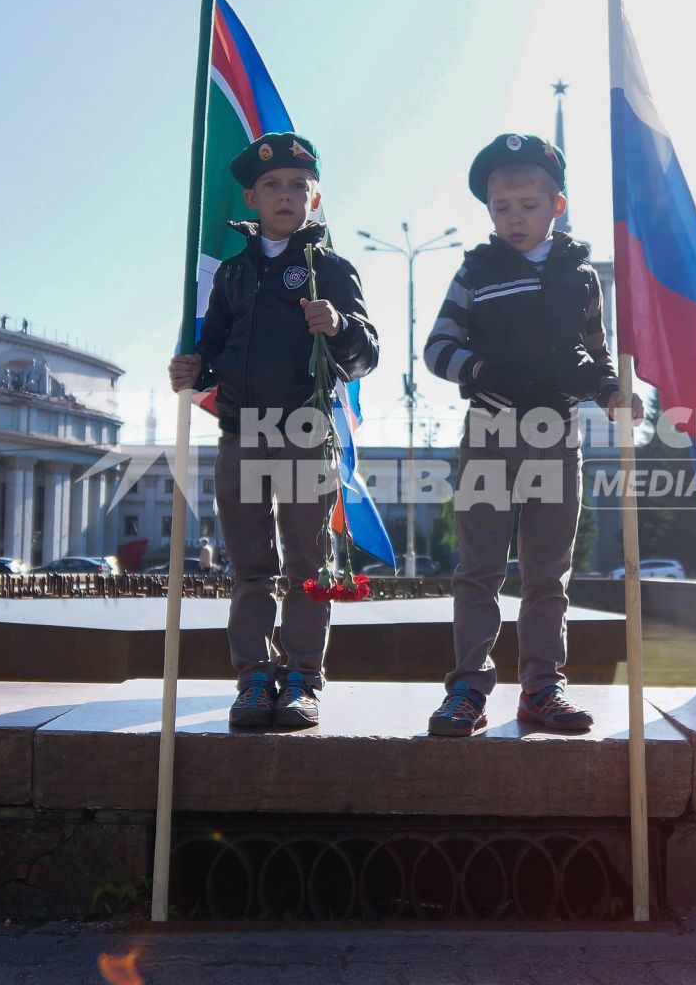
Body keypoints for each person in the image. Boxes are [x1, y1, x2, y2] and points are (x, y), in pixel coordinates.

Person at [170, 132, 379, 730]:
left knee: (307, 566)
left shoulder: (330, 269)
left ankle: (303, 679)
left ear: (315, 198)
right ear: (251, 197)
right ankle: (253, 679)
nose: (284, 194)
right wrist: (190, 369)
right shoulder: (232, 274)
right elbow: (211, 353)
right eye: (271, 186)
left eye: (297, 185)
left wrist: (338, 326)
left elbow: (365, 354)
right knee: (250, 568)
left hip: (303, 429)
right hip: (242, 432)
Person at [422, 132, 626, 738]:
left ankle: (542, 688)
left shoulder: (580, 276)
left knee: (547, 572)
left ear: (556, 205)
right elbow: (437, 349)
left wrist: (612, 392)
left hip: (557, 434)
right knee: (479, 568)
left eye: (528, 206)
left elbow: (598, 353)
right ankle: (467, 689)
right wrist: (480, 370)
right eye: (500, 207)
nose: (514, 218)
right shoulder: (476, 271)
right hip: (490, 428)